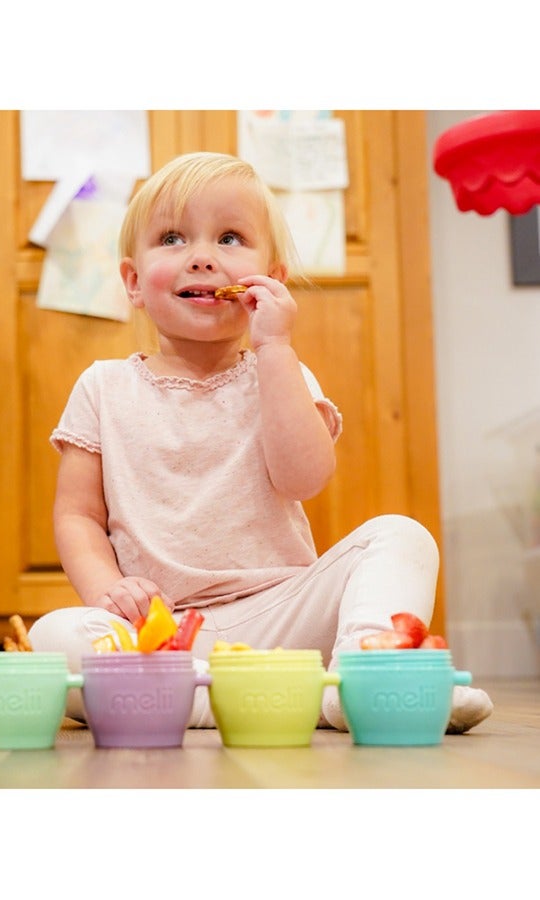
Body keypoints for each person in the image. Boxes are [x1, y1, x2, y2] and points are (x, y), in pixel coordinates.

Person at [29, 151, 493, 733]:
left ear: (267, 280)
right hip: (165, 632)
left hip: (284, 620)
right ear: (133, 283)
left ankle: (362, 678)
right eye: (173, 238)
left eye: (229, 238)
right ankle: (261, 699)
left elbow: (304, 479)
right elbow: (76, 516)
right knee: (54, 637)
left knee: (403, 536)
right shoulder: (102, 387)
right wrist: (107, 589)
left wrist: (276, 349)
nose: (201, 257)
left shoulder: (283, 374)